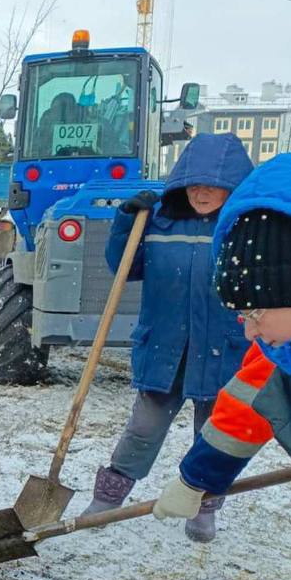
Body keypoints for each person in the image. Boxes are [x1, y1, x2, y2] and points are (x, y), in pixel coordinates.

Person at [152, 153, 291, 580]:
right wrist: (196, 479)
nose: (247, 325)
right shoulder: (278, 344)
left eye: (256, 308)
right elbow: (246, 404)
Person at [81, 132, 253, 542]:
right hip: (166, 346)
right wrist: (127, 221)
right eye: (195, 183)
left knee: (211, 434)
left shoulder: (245, 224)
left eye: (214, 184)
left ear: (234, 183)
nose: (203, 192)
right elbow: (126, 266)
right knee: (143, 427)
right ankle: (108, 498)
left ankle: (204, 509)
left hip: (222, 346)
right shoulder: (158, 218)